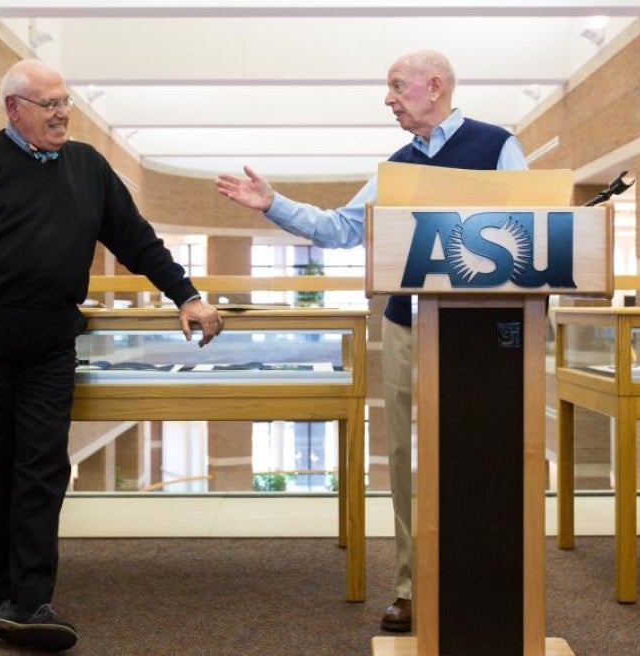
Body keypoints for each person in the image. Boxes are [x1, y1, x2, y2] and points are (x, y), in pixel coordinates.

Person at [0, 58, 223, 652]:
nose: (61, 113)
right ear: (13, 109)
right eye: (48, 104)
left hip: (49, 345)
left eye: (65, 102)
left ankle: (31, 597)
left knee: (44, 466)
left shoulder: (88, 168)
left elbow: (136, 239)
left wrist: (187, 295)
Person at [215, 49, 526, 633]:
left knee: (482, 453)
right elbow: (343, 228)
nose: (388, 99)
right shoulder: (396, 166)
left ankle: (486, 581)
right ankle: (412, 588)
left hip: (482, 332)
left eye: (396, 87)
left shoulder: (497, 146)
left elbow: (533, 230)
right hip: (408, 324)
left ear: (433, 87)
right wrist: (272, 204)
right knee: (405, 461)